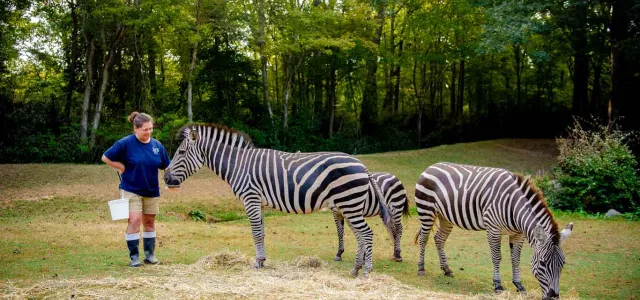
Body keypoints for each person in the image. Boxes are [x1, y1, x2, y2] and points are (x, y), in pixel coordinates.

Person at [102, 112, 171, 267]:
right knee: (134, 220)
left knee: (149, 221)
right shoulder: (125, 143)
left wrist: (173, 180)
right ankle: (134, 258)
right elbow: (106, 157)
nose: (149, 132)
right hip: (131, 189)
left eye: (151, 129)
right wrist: (121, 167)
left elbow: (166, 165)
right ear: (136, 129)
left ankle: (150, 255)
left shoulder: (157, 146)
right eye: (145, 129)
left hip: (151, 190)